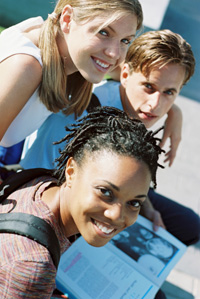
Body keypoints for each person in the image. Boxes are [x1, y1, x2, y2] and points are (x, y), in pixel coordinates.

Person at [20, 29, 199, 245]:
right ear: (124, 75)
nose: (156, 105)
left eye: (169, 92)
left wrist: (147, 208)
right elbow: (33, 178)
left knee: (189, 225)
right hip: (64, 201)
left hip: (119, 190)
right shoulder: (79, 114)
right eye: (148, 87)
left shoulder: (138, 109)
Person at [0, 106, 163, 298]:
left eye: (134, 203)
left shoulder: (42, 184)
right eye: (105, 192)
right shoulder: (34, 268)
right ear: (71, 172)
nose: (117, 215)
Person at [0, 0, 143, 148]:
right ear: (67, 19)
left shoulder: (58, 41)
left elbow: (127, 74)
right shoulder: (26, 67)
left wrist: (167, 106)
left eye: (125, 40)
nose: (114, 54)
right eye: (103, 32)